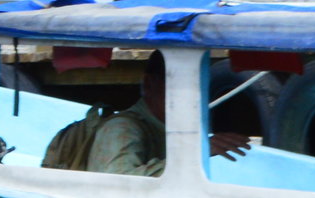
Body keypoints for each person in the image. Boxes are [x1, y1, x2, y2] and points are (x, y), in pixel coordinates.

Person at [41, 54, 251, 175]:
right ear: (150, 84)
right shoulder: (122, 129)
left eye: (197, 85)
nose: (192, 95)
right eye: (179, 84)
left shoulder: (167, 130)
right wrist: (194, 154)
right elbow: (118, 188)